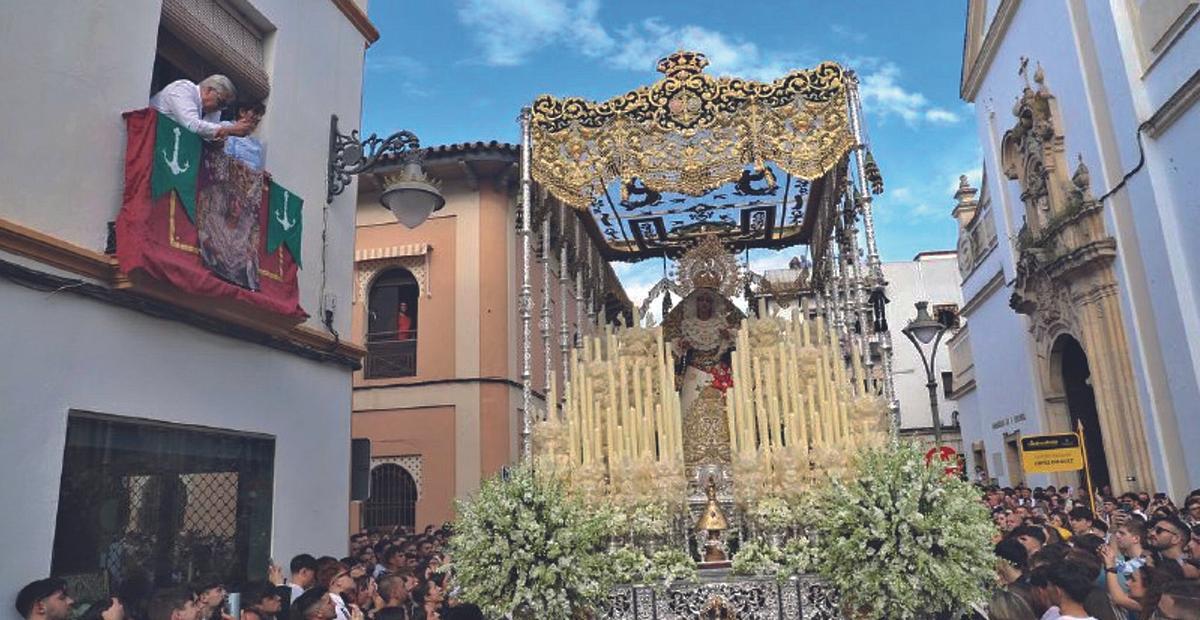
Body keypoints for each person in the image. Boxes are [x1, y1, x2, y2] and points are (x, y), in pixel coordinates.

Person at [149, 75, 253, 141]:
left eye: (224, 106)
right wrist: (229, 130)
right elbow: (192, 125)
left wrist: (235, 129)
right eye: (221, 102)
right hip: (149, 135)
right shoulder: (184, 88)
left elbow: (208, 136)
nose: (220, 108)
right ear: (208, 90)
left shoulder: (214, 110)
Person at [223, 101, 266, 169]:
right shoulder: (227, 127)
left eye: (260, 115)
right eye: (256, 112)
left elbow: (256, 169)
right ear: (242, 112)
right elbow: (225, 156)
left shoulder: (256, 143)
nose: (258, 118)